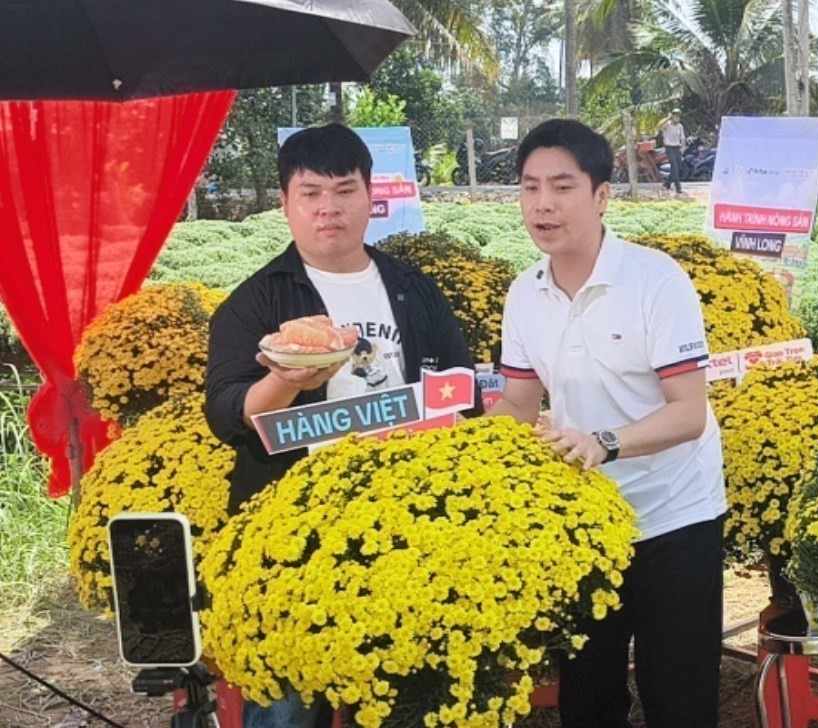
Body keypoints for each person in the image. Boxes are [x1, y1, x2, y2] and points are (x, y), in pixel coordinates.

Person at [204, 123, 476, 728]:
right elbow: (226, 411)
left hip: (405, 529)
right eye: (311, 193)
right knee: (287, 706)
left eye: (345, 190)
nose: (329, 208)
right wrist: (286, 381)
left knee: (405, 697)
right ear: (285, 202)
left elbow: (459, 390)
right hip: (291, 537)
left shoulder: (414, 289)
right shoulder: (255, 301)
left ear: (370, 196)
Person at [489, 118, 726, 727]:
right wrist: (462, 446)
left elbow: (689, 412)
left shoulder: (655, 280)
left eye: (562, 186)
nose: (543, 204)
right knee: (588, 698)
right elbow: (518, 405)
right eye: (530, 187)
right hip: (587, 522)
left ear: (600, 196)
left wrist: (603, 443)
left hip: (675, 515)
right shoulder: (523, 293)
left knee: (679, 699)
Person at [658, 108, 687, 194]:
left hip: (677, 148)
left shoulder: (680, 126)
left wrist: (683, 147)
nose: (678, 119)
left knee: (678, 167)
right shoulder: (667, 125)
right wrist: (668, 117)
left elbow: (682, 138)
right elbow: (659, 125)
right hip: (669, 148)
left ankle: (667, 183)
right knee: (674, 166)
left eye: (679, 117)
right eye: (676, 117)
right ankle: (678, 188)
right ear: (673, 117)